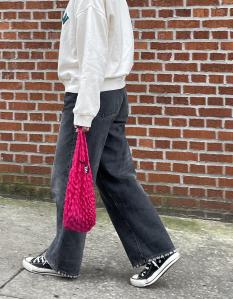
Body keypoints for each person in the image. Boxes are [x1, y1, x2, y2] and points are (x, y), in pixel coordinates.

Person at [22, 0, 180, 288]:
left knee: (68, 178)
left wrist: (83, 113)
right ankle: (157, 250)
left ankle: (62, 260)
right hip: (113, 94)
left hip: (90, 97)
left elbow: (93, 55)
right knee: (115, 176)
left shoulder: (88, 1)